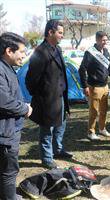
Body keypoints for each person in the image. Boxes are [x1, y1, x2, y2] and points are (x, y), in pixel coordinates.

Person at [26, 20, 73, 169]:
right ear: (50, 32)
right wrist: (42, 95)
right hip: (48, 99)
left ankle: (57, 149)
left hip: (60, 97)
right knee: (47, 129)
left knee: (61, 124)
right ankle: (47, 158)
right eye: (60, 33)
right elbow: (30, 79)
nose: (62, 36)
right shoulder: (40, 52)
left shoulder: (57, 49)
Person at [0, 32, 33, 200]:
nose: (24, 55)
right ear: (8, 51)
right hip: (5, 133)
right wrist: (24, 109)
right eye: (21, 51)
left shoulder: (8, 68)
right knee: (9, 170)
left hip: (9, 129)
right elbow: (3, 102)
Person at [79, 31, 110, 141]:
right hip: (94, 87)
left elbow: (109, 69)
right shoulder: (90, 52)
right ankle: (91, 132)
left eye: (106, 40)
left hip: (105, 86)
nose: (105, 42)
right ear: (97, 40)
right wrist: (85, 86)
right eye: (103, 40)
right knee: (94, 111)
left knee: (104, 110)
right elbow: (82, 69)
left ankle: (102, 128)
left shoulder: (106, 51)